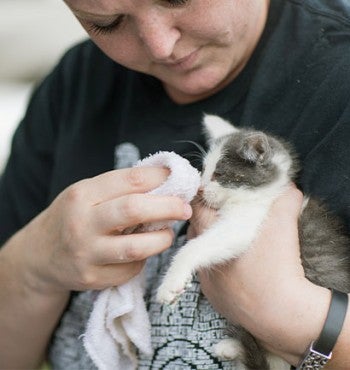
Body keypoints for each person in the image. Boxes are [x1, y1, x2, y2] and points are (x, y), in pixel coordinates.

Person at [0, 0, 350, 368]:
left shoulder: (338, 84)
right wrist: (36, 263)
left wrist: (297, 318)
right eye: (108, 23)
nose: (160, 45)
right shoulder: (76, 84)